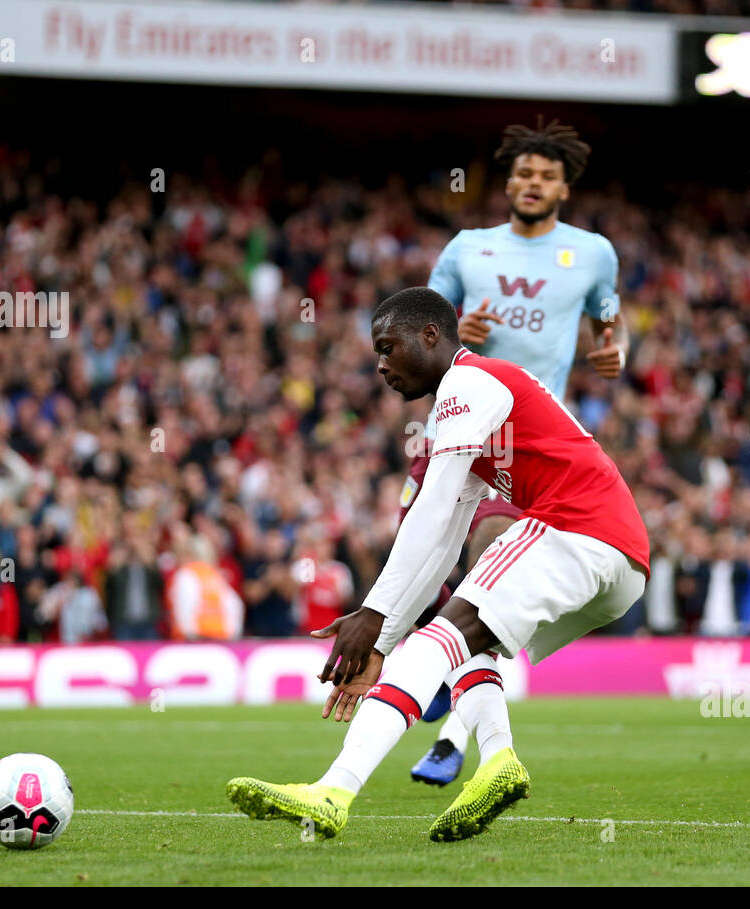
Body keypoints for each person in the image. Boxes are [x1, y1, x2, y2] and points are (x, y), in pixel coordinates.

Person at [226, 287, 649, 842]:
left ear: (430, 335)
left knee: (436, 641)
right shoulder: (471, 405)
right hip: (617, 558)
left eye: (387, 347)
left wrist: (376, 616)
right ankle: (497, 760)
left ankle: (334, 789)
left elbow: (427, 511)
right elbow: (445, 542)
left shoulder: (468, 384)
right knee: (462, 640)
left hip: (580, 529)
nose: (380, 365)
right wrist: (382, 637)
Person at [407, 119, 630, 785]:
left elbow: (608, 319)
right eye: (523, 173)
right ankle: (447, 680)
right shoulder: (468, 248)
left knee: (490, 568)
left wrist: (613, 349)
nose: (532, 184)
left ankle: (459, 744)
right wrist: (448, 332)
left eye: (546, 176)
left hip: (527, 442)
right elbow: (421, 329)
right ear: (508, 183)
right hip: (454, 427)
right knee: (416, 561)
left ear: (564, 188)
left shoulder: (592, 253)